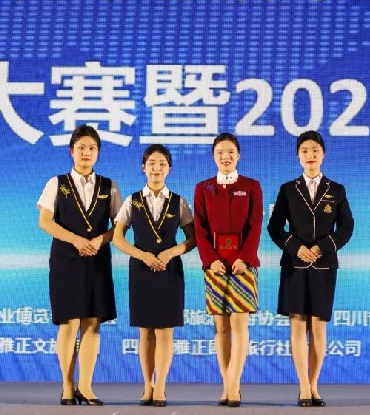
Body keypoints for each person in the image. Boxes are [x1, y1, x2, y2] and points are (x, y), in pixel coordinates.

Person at [266, 130, 354, 407]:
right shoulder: (288, 189)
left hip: (324, 265)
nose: (310, 155)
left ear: (323, 154)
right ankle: (303, 386)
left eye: (315, 150)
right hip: (294, 264)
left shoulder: (336, 190)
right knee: (297, 324)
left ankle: (314, 385)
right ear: (298, 156)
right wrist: (295, 247)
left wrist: (323, 247)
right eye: (304, 151)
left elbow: (347, 227)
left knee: (318, 326)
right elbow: (274, 227)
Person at [36, 125, 123, 406]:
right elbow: (45, 221)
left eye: (92, 148)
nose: (86, 152)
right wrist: (75, 240)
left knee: (92, 323)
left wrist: (100, 239)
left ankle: (86, 386)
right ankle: (67, 386)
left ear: (98, 153)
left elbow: (119, 226)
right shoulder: (57, 183)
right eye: (81, 148)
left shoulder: (109, 186)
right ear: (71, 151)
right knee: (69, 322)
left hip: (97, 260)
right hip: (66, 260)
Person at [112, 144, 196, 407]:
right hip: (141, 270)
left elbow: (192, 239)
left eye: (162, 164)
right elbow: (117, 238)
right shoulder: (133, 200)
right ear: (143, 167)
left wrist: (170, 253)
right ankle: (147, 386)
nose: (157, 168)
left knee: (165, 331)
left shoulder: (179, 202)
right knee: (145, 331)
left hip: (170, 271)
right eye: (152, 163)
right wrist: (143, 256)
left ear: (169, 169)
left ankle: (161, 386)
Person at [193, 133, 263, 408]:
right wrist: (210, 260)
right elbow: (199, 229)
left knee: (239, 324)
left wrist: (245, 258)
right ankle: (227, 385)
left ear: (238, 155)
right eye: (220, 152)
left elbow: (255, 225)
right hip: (215, 267)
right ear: (213, 156)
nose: (226, 156)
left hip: (244, 266)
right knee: (221, 326)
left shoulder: (251, 186)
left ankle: (234, 385)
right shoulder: (203, 188)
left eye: (231, 152)